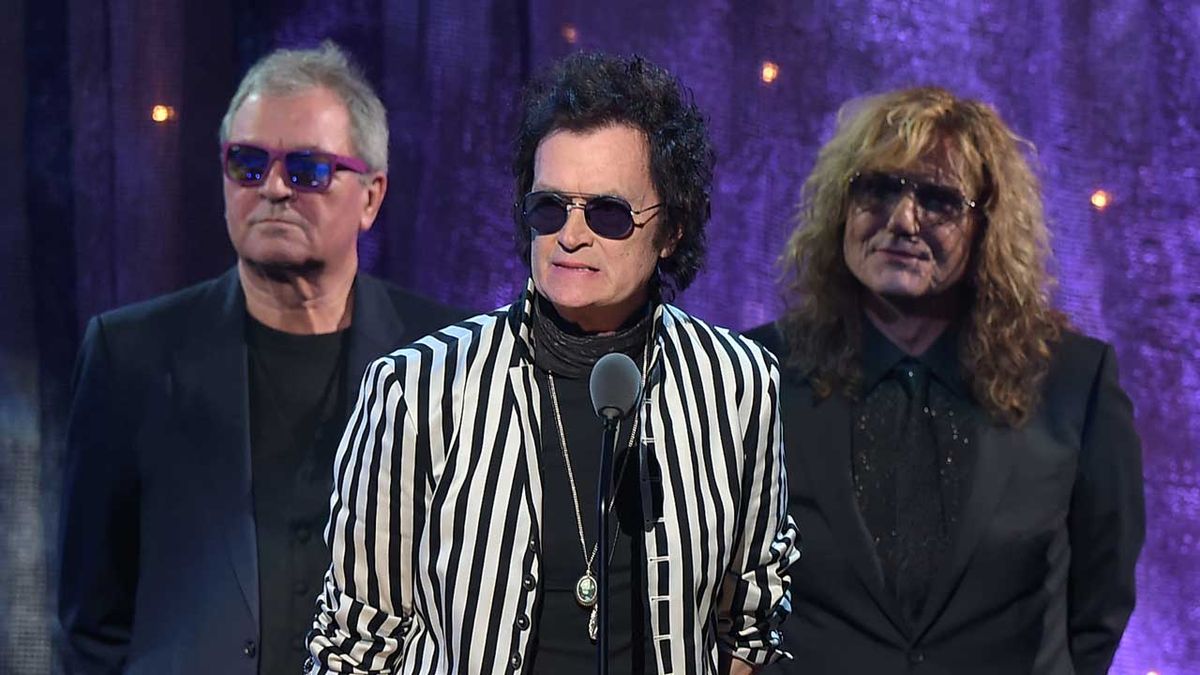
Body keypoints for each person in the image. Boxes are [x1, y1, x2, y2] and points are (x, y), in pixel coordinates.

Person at [306, 52, 800, 675]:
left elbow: (751, 627)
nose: (571, 234)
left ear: (670, 229)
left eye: (608, 214)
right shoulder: (419, 388)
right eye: (549, 208)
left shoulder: (738, 385)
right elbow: (354, 644)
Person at [57, 42, 461, 675]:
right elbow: (91, 621)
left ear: (371, 196)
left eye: (306, 170)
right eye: (247, 164)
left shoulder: (446, 360)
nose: (272, 188)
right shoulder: (127, 355)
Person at [747, 86, 1145, 674]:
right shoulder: (756, 374)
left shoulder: (1075, 383)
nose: (903, 220)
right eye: (878, 189)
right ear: (841, 206)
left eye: (938, 200)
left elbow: (1100, 601)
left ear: (987, 227)